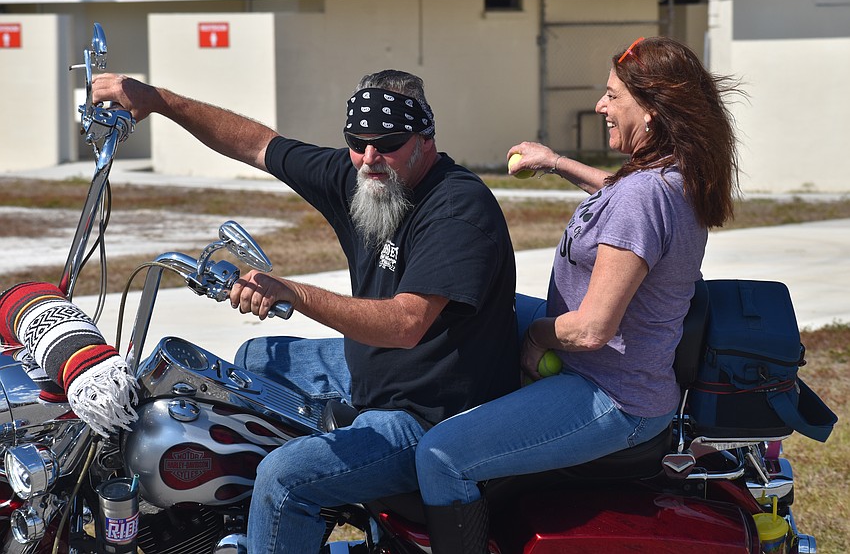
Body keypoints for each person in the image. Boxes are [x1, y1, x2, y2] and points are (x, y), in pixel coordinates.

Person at [92, 69, 519, 553]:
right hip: (372, 370)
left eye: (388, 143)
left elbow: (405, 324)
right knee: (253, 364)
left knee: (283, 478)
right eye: (357, 142)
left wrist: (294, 293)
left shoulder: (458, 208)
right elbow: (258, 145)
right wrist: (160, 100)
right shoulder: (361, 176)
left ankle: (290, 510)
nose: (370, 159)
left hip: (430, 415)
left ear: (425, 138)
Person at [414, 36, 741, 553]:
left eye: (613, 96)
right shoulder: (667, 175)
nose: (600, 106)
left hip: (613, 397)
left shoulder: (645, 195)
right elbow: (617, 192)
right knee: (479, 314)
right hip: (619, 377)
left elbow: (590, 329)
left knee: (440, 456)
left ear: (651, 112)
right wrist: (555, 161)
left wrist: (540, 338)